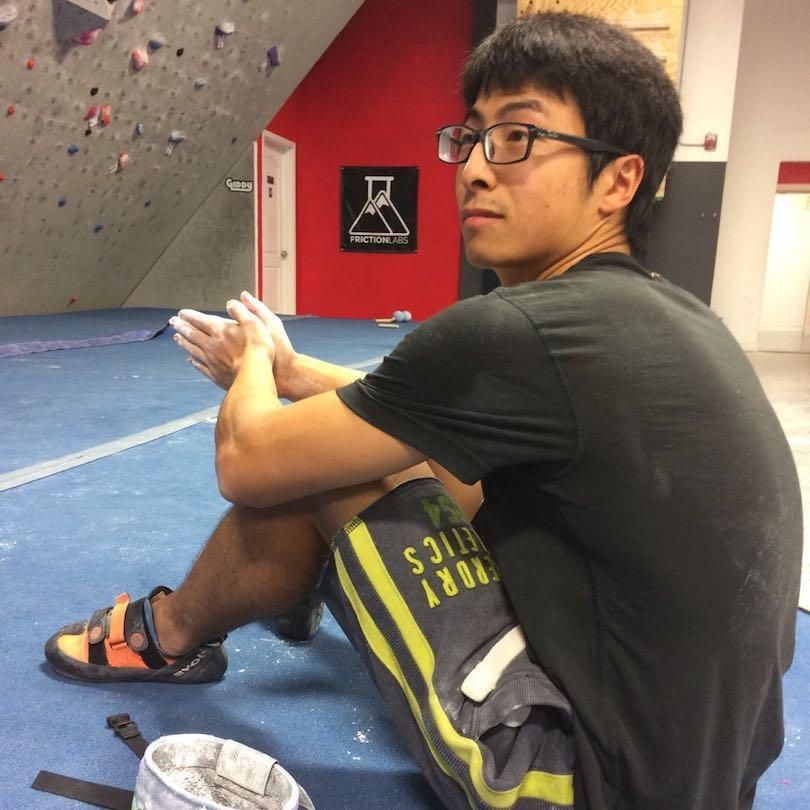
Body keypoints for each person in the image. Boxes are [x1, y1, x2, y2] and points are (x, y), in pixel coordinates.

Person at [44, 12, 802, 810]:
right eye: (470, 138)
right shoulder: (660, 318)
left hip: (574, 785)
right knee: (387, 451)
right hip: (704, 779)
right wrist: (296, 371)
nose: (474, 168)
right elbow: (416, 421)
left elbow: (248, 459)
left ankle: (169, 635)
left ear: (618, 181)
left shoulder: (518, 329)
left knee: (317, 472)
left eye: (517, 138)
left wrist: (254, 363)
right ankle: (285, 583)